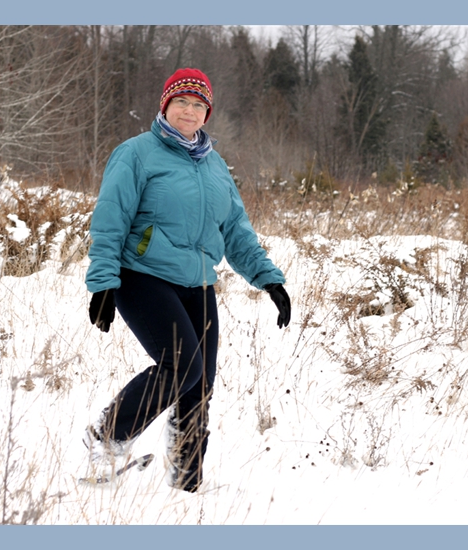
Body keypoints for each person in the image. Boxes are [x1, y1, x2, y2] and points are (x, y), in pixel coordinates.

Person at [83, 68, 291, 492]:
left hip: (197, 283)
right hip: (141, 276)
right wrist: (103, 282)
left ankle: (187, 483)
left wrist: (269, 280)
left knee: (200, 385)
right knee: (181, 367)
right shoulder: (136, 154)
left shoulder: (215, 167)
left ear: (207, 113)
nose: (190, 111)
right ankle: (106, 440)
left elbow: (236, 231)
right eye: (182, 102)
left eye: (199, 105)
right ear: (165, 105)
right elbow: (110, 219)